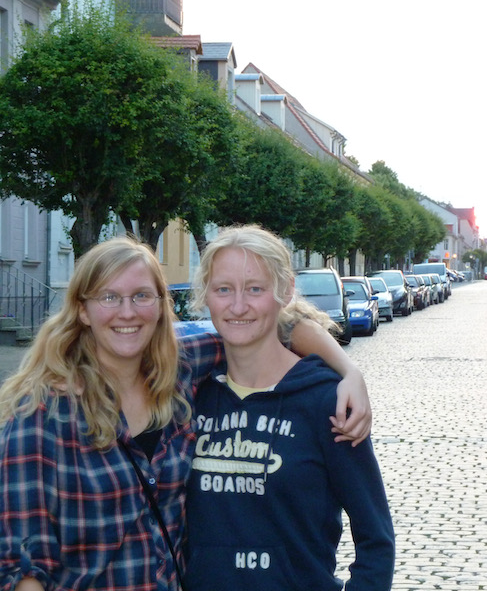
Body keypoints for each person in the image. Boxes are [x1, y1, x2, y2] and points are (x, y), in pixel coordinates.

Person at [0, 235, 371, 591]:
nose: (127, 312)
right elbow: (21, 562)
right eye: (109, 297)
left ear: (162, 305)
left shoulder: (181, 370)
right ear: (82, 309)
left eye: (142, 296)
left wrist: (349, 371)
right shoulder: (39, 413)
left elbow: (276, 326)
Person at [183, 225, 394, 591]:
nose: (237, 305)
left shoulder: (327, 399)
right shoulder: (188, 392)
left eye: (255, 289)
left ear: (285, 291)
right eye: (223, 290)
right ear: (206, 296)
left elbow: (375, 538)